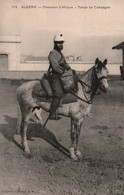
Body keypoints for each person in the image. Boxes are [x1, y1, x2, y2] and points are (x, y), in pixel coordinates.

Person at [48, 34, 71, 120]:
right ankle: (52, 113)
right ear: (54, 43)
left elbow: (65, 63)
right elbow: (55, 67)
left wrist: (69, 69)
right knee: (58, 94)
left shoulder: (60, 53)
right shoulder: (53, 54)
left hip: (62, 75)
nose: (61, 44)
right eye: (58, 43)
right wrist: (63, 72)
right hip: (55, 76)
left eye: (61, 43)